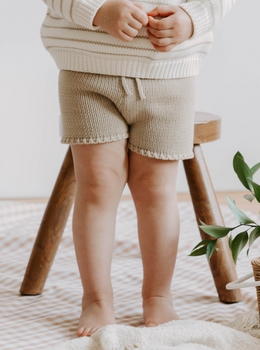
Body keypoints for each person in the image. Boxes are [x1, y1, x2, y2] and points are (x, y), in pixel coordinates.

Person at [40, 0, 236, 338]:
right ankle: (96, 299)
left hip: (170, 75)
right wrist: (98, 10)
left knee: (157, 191)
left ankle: (158, 295)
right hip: (87, 70)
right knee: (98, 185)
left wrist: (193, 18)